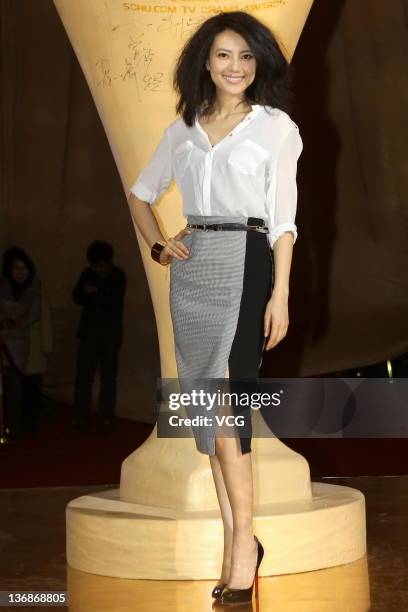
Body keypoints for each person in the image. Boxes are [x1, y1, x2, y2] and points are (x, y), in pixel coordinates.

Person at [128, 11, 302, 607]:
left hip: (249, 259)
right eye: (225, 55)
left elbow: (283, 222)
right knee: (208, 411)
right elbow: (141, 193)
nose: (236, 67)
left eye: (247, 57)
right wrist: (158, 243)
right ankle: (238, 538)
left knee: (227, 405)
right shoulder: (183, 127)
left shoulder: (276, 127)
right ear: (206, 61)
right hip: (195, 261)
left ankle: (241, 556)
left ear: (260, 66)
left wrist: (280, 294)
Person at [71, 241, 126, 432]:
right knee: (83, 377)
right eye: (95, 265)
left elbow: (115, 300)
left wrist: (97, 291)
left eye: (101, 265)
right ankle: (79, 417)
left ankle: (106, 419)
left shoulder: (118, 276)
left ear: (109, 262)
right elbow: (76, 297)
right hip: (88, 334)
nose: (98, 269)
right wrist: (86, 293)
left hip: (110, 335)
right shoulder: (87, 274)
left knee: (108, 378)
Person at [0, 247, 41, 439]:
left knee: (15, 389)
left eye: (24, 268)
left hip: (18, 346)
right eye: (16, 267)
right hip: (3, 341)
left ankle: (14, 427)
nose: (20, 272)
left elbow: (33, 315)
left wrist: (13, 321)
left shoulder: (33, 289)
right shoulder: (2, 286)